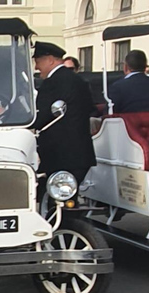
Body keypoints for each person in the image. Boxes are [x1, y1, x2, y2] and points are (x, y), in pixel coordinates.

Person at [31, 42, 96, 193]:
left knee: (56, 199)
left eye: (38, 62)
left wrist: (26, 124)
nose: (36, 67)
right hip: (80, 152)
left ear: (50, 60)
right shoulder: (78, 80)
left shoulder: (52, 83)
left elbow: (43, 116)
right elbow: (90, 109)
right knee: (67, 198)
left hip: (59, 154)